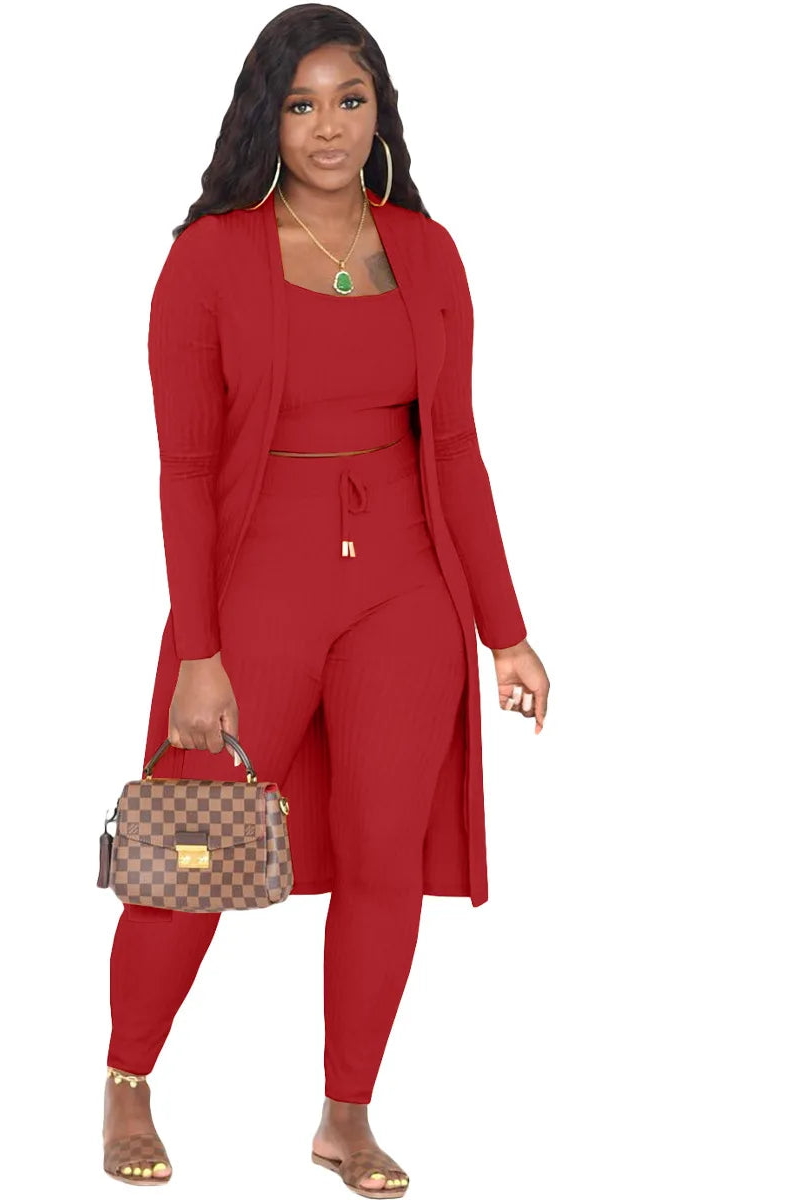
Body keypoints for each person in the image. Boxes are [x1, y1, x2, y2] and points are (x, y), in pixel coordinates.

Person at [102, 5, 551, 1192]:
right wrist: (200, 649)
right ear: (267, 118)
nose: (328, 127)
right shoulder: (209, 259)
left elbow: (455, 448)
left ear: (380, 111)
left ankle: (345, 1116)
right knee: (192, 839)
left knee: (383, 851)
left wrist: (505, 631)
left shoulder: (429, 252)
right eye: (300, 104)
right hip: (261, 583)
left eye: (350, 100)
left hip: (405, 586)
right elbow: (185, 471)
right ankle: (128, 1078)